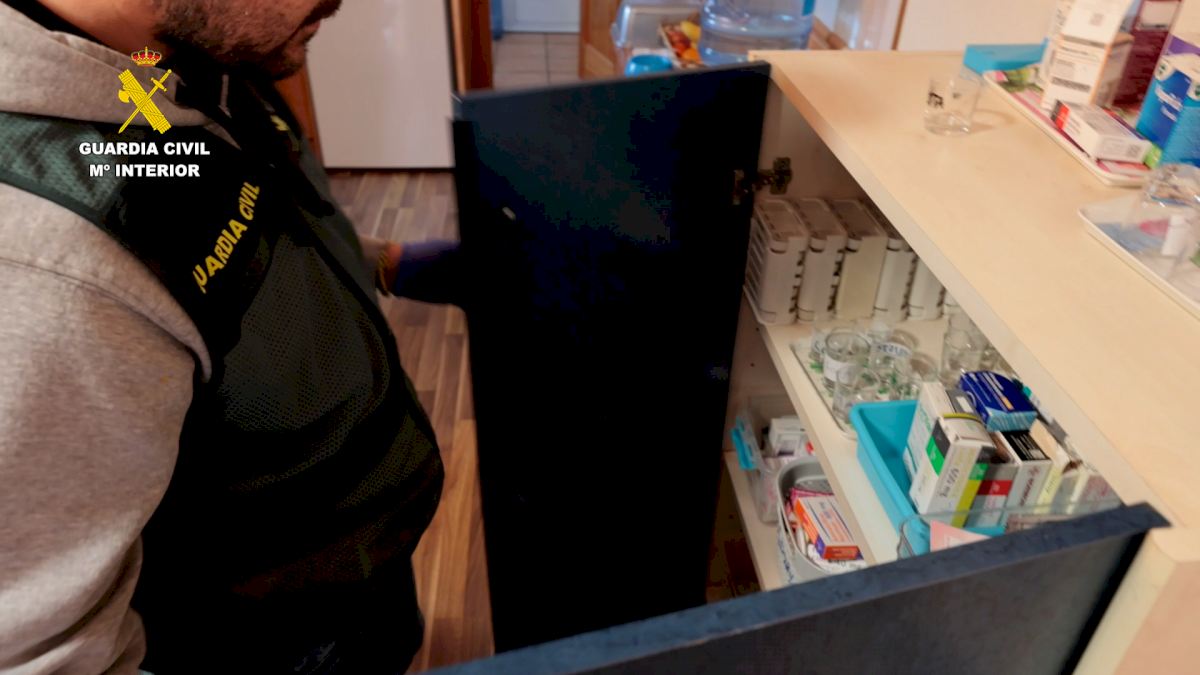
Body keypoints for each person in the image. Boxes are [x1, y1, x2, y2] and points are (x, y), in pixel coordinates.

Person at [0, 0, 462, 671]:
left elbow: (216, 217)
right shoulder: (37, 266)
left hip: (351, 567)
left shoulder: (191, 51)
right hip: (274, 644)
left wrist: (384, 261)